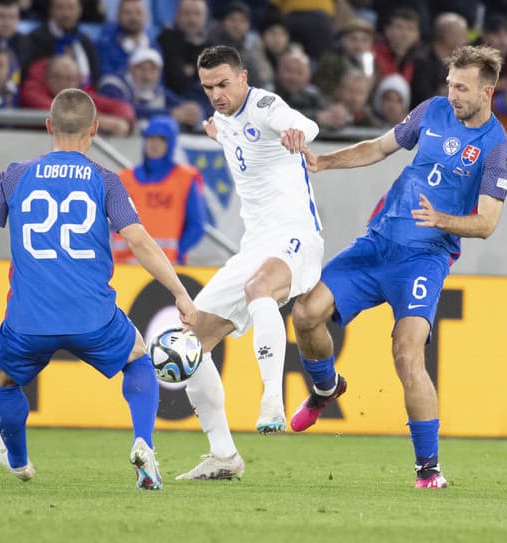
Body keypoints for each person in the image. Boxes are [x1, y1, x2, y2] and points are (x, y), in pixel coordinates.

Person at [0, 88, 198, 490]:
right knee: (137, 358)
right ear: (95, 129)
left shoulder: (15, 175)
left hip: (29, 319)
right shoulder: (106, 181)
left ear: (49, 126)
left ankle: (19, 461)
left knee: (2, 377)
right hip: (93, 317)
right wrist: (180, 293)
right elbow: (140, 242)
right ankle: (143, 444)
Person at [292, 45, 507, 490]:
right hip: (377, 243)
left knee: (407, 354)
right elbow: (379, 147)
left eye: (462, 88)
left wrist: (442, 221)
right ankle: (325, 388)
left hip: (424, 259)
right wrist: (326, 161)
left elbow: (487, 223)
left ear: (487, 91)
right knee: (304, 313)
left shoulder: (496, 148)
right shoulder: (432, 110)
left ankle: (428, 470)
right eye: (450, 84)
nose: (452, 94)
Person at [175, 45, 324, 480]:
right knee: (189, 343)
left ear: (243, 78)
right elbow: (233, 133)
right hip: (254, 246)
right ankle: (223, 455)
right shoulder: (221, 120)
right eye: (208, 87)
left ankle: (272, 402)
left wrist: (298, 132)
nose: (217, 94)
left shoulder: (263, 104)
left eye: (224, 84)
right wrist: (217, 133)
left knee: (260, 289)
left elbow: (304, 123)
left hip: (297, 237)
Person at [111, 115, 209, 265]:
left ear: (171, 142)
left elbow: (196, 225)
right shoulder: (124, 179)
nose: (154, 144)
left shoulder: (186, 179)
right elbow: (110, 223)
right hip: (125, 266)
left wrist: (179, 251)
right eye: (150, 138)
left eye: (161, 139)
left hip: (166, 266)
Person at [21, 54, 135, 136]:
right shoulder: (32, 92)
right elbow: (59, 110)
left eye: (69, 78)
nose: (63, 83)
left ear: (78, 81)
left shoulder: (80, 95)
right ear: (47, 77)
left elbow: (123, 108)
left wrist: (123, 122)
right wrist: (101, 122)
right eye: (57, 76)